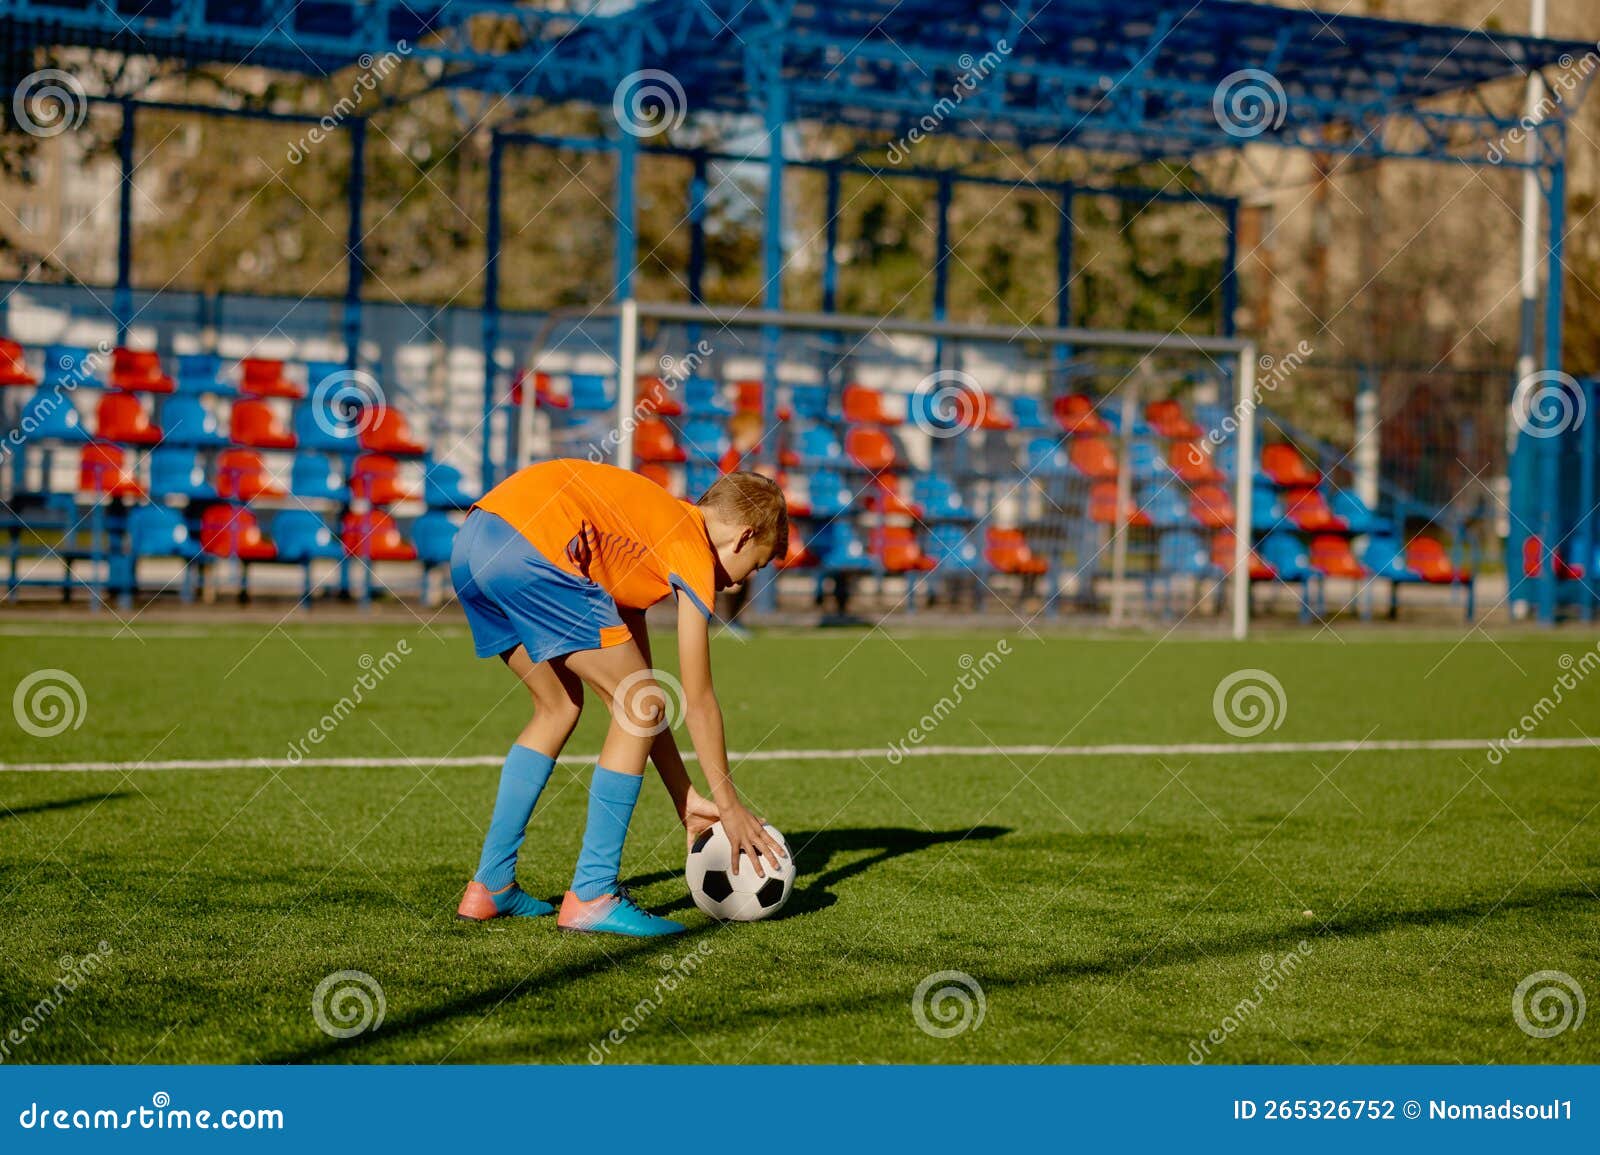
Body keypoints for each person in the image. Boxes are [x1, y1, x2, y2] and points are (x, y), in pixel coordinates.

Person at [450, 459, 789, 936]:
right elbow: (698, 695)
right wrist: (728, 806)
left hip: (474, 542)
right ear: (744, 536)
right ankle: (593, 895)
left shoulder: (642, 537)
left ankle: (491, 885)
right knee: (638, 701)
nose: (735, 583)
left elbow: (639, 698)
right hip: (531, 547)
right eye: (751, 568)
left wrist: (684, 798)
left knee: (560, 706)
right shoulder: (689, 540)